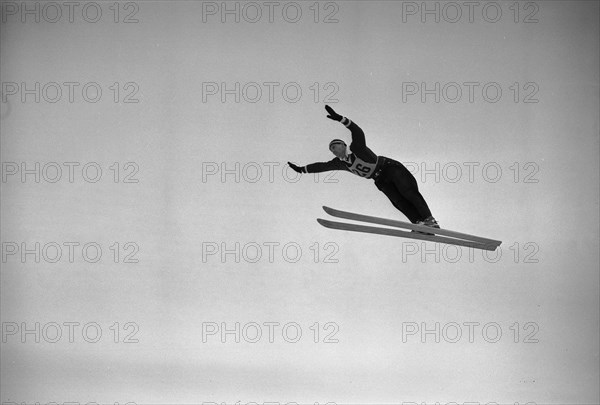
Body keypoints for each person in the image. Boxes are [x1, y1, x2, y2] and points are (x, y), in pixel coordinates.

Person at [288, 105, 440, 231]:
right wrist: (302, 170)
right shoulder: (340, 162)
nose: (333, 150)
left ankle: (429, 220)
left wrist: (341, 119)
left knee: (408, 192)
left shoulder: (356, 147)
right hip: (379, 179)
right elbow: (322, 166)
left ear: (343, 145)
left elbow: (357, 131)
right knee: (398, 202)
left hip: (390, 169)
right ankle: (419, 224)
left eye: (335, 146)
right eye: (331, 149)